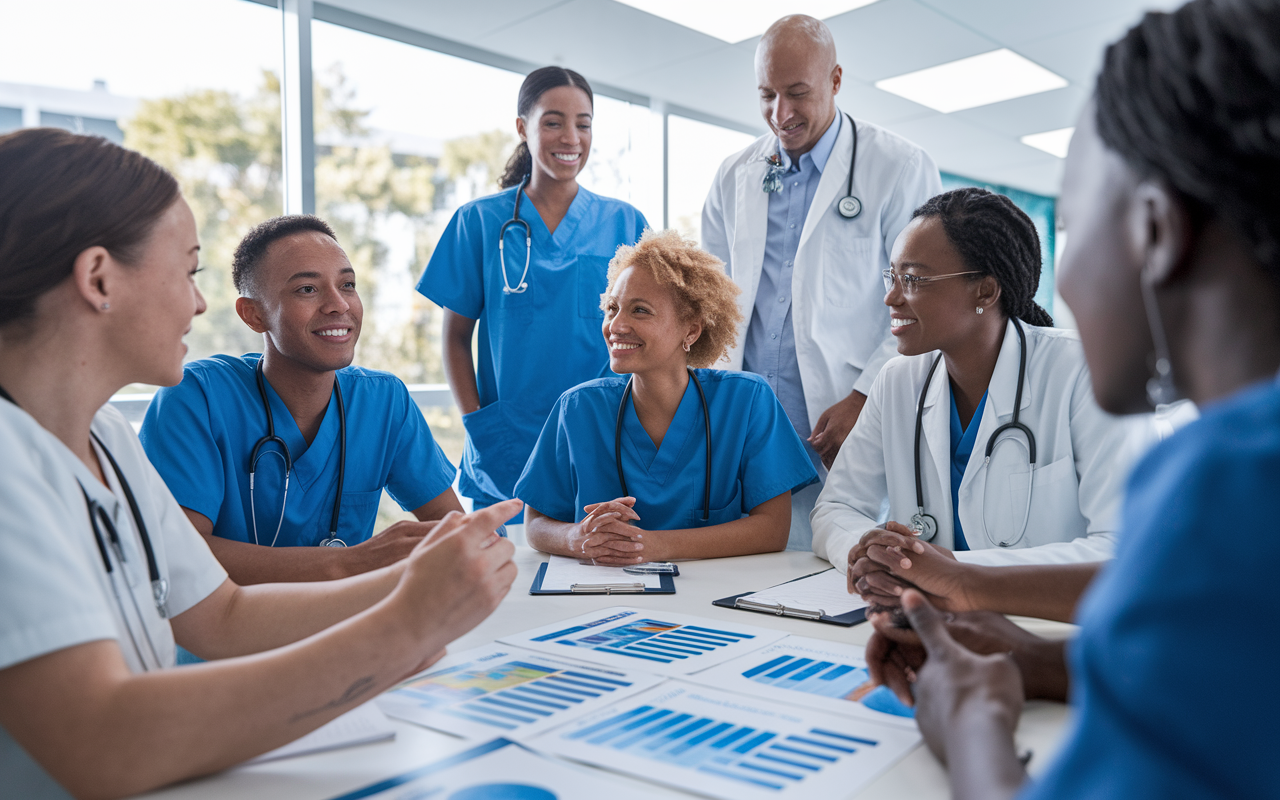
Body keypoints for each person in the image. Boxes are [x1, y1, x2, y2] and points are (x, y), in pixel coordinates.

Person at [0, 129, 519, 799]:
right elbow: (101, 740)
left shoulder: (106, 439)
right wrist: (403, 625)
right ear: (99, 278)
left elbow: (223, 617)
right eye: (187, 271)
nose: (198, 302)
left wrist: (430, 584)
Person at [865, 1, 1280, 797]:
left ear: (1155, 232)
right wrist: (1042, 656)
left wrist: (971, 725)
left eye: (1075, 222)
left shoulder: (1230, 482)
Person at [810, 188, 1132, 602]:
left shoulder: (1084, 370)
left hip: (1044, 629)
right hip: (927, 621)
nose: (891, 297)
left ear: (985, 291)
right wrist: (870, 552)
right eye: (892, 276)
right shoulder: (897, 380)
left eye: (913, 279)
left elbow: (1122, 547)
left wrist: (949, 572)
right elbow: (836, 509)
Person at [701, 14, 942, 550]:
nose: (780, 115)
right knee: (741, 576)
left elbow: (919, 306)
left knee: (837, 573)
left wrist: (864, 395)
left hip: (845, 421)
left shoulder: (897, 167)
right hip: (746, 428)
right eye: (767, 95)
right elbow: (710, 306)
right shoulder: (732, 176)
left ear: (835, 80)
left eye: (797, 93)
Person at [139, 215, 463, 586]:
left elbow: (453, 529)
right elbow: (179, 554)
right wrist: (351, 563)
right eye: (307, 289)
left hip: (347, 629)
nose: (338, 304)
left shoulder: (382, 401)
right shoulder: (197, 396)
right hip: (231, 640)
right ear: (253, 314)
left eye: (348, 284)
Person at [416, 66, 648, 522]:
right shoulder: (478, 222)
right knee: (505, 579)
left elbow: (648, 331)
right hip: (506, 443)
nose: (571, 137)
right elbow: (455, 337)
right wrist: (479, 424)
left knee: (601, 573)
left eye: (584, 124)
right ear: (523, 128)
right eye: (553, 122)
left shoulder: (625, 223)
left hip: (604, 433)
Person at [515, 229, 818, 564]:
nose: (616, 325)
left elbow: (773, 530)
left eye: (640, 310)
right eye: (612, 308)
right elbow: (536, 524)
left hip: (716, 595)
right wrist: (577, 537)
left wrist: (653, 546)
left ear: (691, 330)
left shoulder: (747, 401)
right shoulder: (578, 409)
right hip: (606, 597)